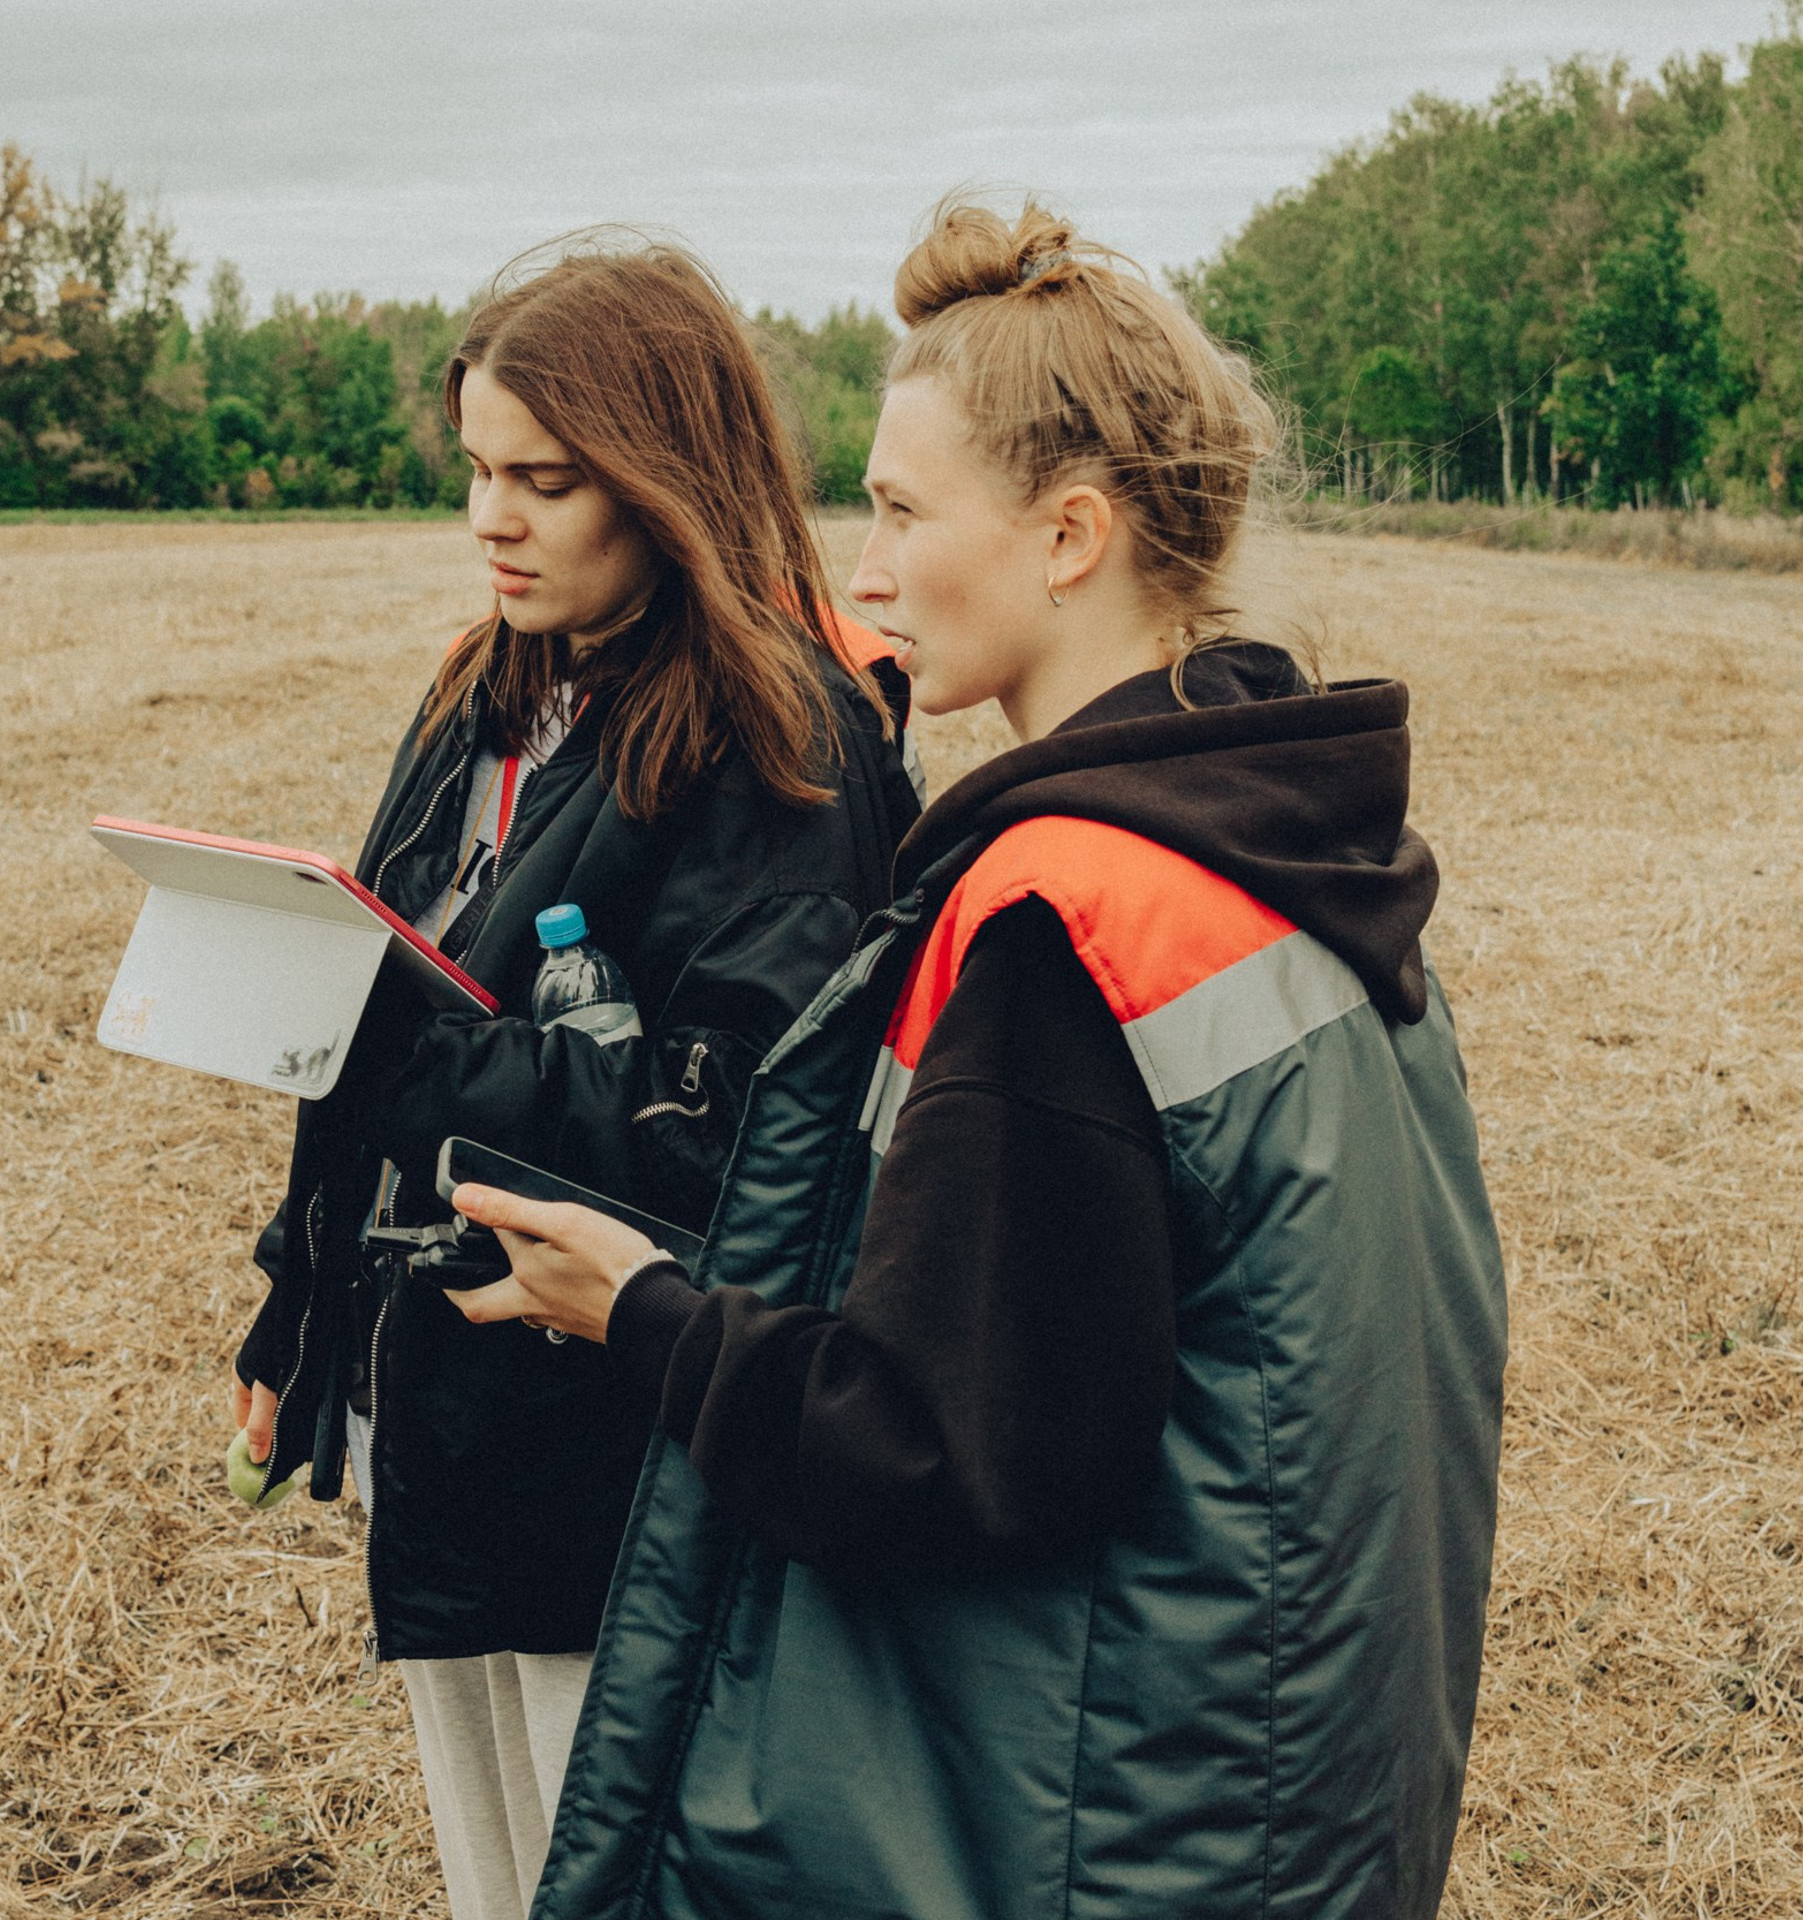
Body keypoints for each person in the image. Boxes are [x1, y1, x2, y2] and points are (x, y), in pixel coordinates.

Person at [446, 200, 1509, 1920]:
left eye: (900, 510)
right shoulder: (1287, 843)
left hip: (1112, 1834)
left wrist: (639, 1311)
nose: (859, 575)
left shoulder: (1065, 926)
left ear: (1069, 535)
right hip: (1280, 1790)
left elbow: (937, 1454)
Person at [228, 238, 920, 1919]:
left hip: (619, 1459)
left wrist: (407, 1051)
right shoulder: (485, 692)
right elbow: (379, 1013)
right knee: (499, 1880)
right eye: (477, 469)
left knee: (601, 1876)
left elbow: (735, 1144)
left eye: (547, 481)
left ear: (669, 480)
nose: (494, 520)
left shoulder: (784, 748)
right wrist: (295, 1310)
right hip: (445, 1421)